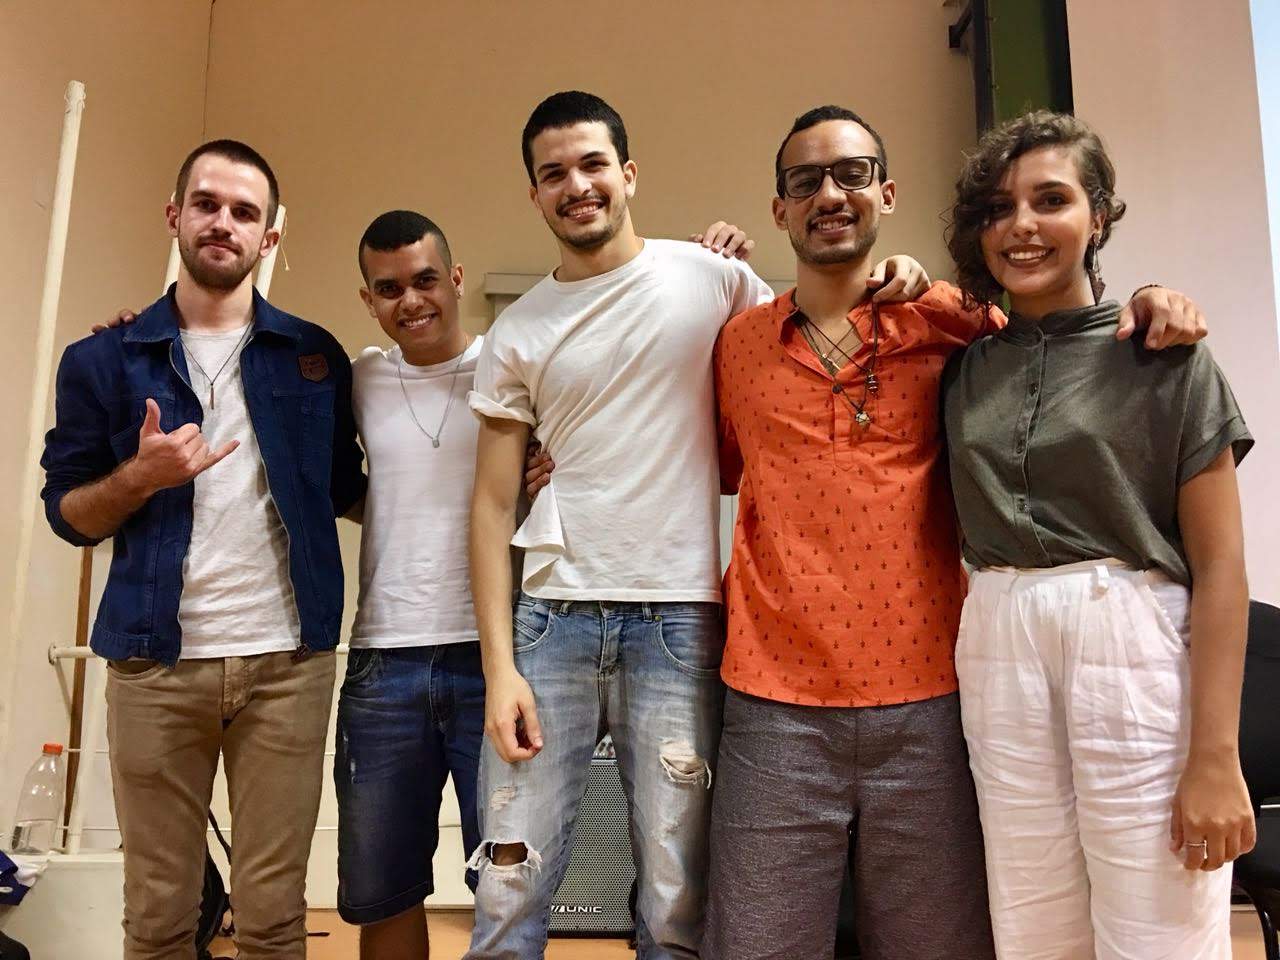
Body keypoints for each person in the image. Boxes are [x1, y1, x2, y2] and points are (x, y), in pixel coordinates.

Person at [705, 105, 1211, 960]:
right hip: (772, 701)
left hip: (936, 699)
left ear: (886, 193)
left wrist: (1153, 296)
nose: (829, 194)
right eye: (805, 180)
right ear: (779, 207)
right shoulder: (737, 346)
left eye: (852, 174)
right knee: (755, 944)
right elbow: (712, 465)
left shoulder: (953, 322)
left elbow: (1064, 339)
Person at [465, 91, 927, 960]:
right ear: (534, 194)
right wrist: (498, 669)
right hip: (550, 624)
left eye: (594, 164)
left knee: (677, 899)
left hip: (678, 623)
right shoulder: (518, 329)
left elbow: (821, 314)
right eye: (554, 174)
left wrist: (900, 272)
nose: (577, 186)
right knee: (508, 885)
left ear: (629, 174)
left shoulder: (712, 278)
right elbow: (491, 503)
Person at [39, 139, 364, 960]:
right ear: (175, 215)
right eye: (208, 204)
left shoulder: (315, 357)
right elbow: (70, 516)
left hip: (288, 666)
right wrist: (139, 477)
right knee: (159, 916)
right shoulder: (102, 360)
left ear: (269, 236)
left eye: (244, 212)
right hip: (153, 667)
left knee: (274, 918)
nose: (224, 223)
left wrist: (499, 481)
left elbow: (348, 488)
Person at [942, 109, 1255, 959]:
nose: (1022, 226)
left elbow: (1222, 567)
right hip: (998, 641)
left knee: (1159, 929)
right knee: (1032, 929)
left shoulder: (1165, 354)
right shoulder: (965, 367)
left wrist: (1216, 757)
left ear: (1100, 216)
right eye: (999, 208)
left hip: (1130, 641)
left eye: (1051, 200)